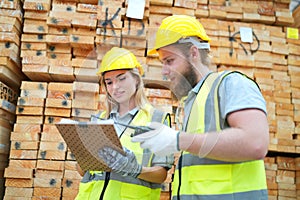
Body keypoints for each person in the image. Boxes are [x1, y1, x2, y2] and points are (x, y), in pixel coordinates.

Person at [132, 15, 269, 199]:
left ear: (194, 53)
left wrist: (178, 140)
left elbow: (256, 143)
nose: (164, 71)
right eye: (162, 63)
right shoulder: (191, 102)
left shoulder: (231, 83)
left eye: (170, 61)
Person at [75, 47, 173, 200]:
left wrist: (135, 169)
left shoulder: (157, 120)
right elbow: (82, 172)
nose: (115, 87)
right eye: (109, 82)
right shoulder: (99, 120)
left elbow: (161, 175)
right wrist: (84, 156)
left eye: (122, 79)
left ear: (136, 79)